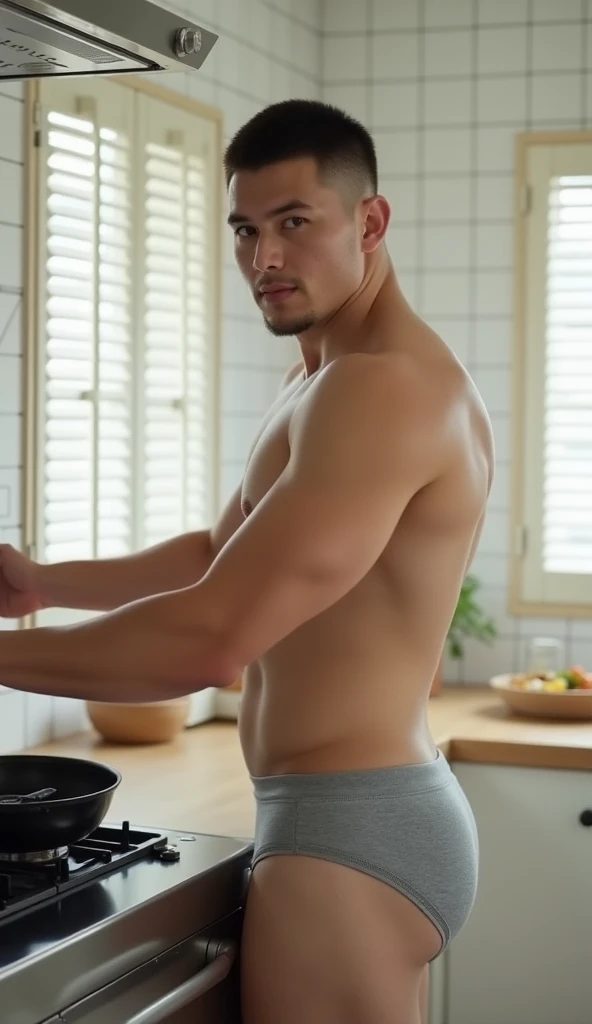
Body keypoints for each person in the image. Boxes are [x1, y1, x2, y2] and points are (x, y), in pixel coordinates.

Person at [0, 99, 493, 1023]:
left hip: (348, 830)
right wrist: (42, 587)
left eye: (294, 224)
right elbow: (215, 555)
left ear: (370, 222)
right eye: (246, 230)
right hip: (345, 815)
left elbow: (211, 641)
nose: (263, 260)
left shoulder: (381, 389)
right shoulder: (320, 378)